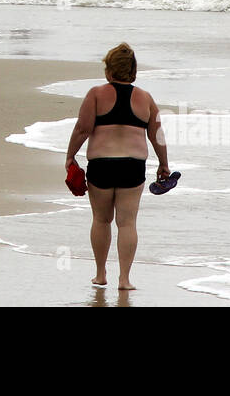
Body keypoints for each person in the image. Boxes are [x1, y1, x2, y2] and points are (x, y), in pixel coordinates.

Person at [63, 43, 170, 291]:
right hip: (132, 166)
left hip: (101, 164)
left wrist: (70, 157)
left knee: (101, 220)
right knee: (127, 223)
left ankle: (100, 274)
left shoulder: (96, 94)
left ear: (109, 70)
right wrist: (164, 164)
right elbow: (157, 135)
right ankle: (124, 279)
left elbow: (82, 129)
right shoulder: (146, 98)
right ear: (133, 71)